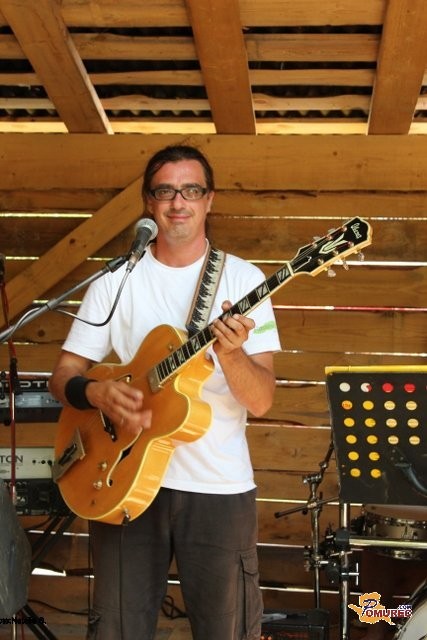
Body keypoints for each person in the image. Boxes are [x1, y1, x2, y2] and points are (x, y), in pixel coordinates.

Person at [49, 144, 281, 640]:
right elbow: (64, 374)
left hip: (218, 488)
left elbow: (261, 401)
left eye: (191, 190)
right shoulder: (115, 281)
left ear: (209, 200)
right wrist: (96, 394)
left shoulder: (244, 281)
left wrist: (232, 355)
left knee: (227, 630)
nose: (179, 202)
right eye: (166, 191)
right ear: (148, 202)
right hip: (122, 478)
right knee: (118, 628)